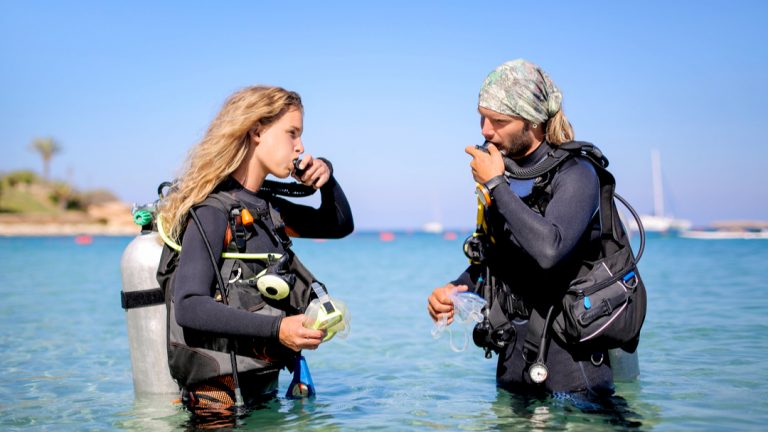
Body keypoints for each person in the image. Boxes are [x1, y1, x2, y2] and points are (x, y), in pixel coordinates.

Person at [158, 86, 354, 417]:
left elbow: (338, 225)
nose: (300, 147)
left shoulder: (267, 209)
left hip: (261, 395)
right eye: (292, 133)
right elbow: (189, 306)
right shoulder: (212, 210)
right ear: (257, 131)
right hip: (216, 406)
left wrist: (327, 180)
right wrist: (279, 329)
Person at [427, 59, 614, 398]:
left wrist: (496, 185)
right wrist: (454, 290)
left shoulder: (576, 174)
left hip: (572, 373)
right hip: (512, 365)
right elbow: (494, 265)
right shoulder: (505, 177)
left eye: (499, 121)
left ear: (533, 121)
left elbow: (549, 251)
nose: (486, 130)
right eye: (482, 117)